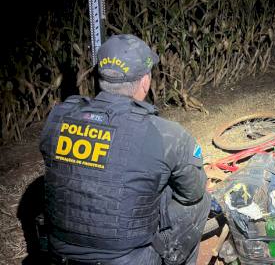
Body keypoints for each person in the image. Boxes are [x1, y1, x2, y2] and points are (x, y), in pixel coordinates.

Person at [39, 34, 211, 265]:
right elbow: (193, 193)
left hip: (59, 255)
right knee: (201, 201)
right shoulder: (167, 134)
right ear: (145, 82)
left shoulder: (58, 118)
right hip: (129, 259)